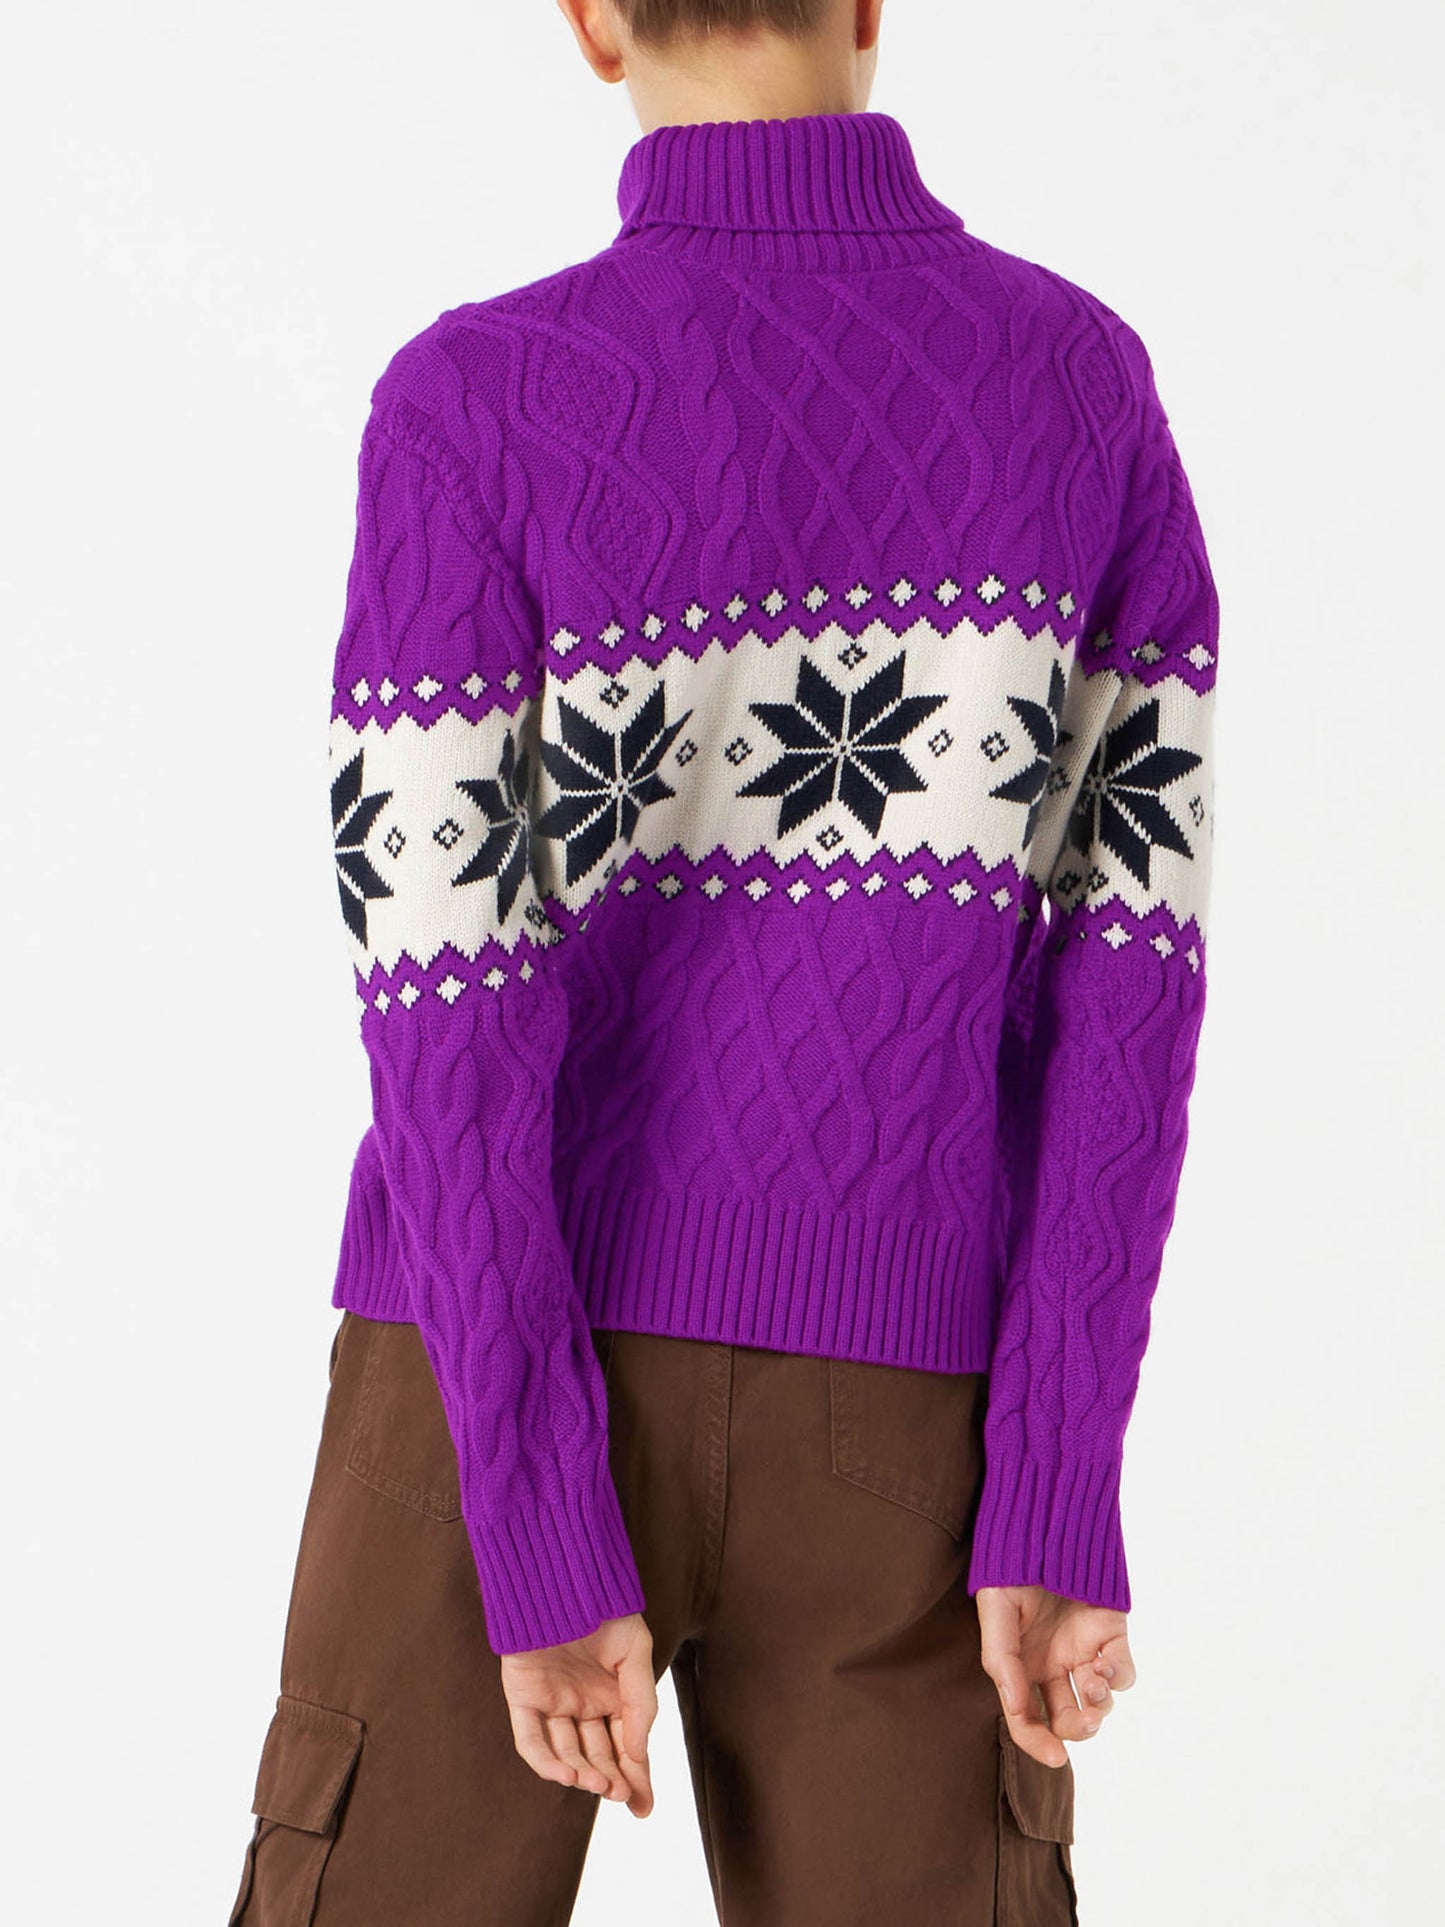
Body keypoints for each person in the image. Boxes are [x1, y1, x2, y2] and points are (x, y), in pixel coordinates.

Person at [227, 0, 1219, 1920]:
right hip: (908, 1410)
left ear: (591, 23)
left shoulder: (473, 399)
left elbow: (441, 1005)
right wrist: (1050, 1475)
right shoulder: (1073, 381)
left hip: (479, 1375)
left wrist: (531, 1513)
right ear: (869, 6)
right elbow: (1132, 976)